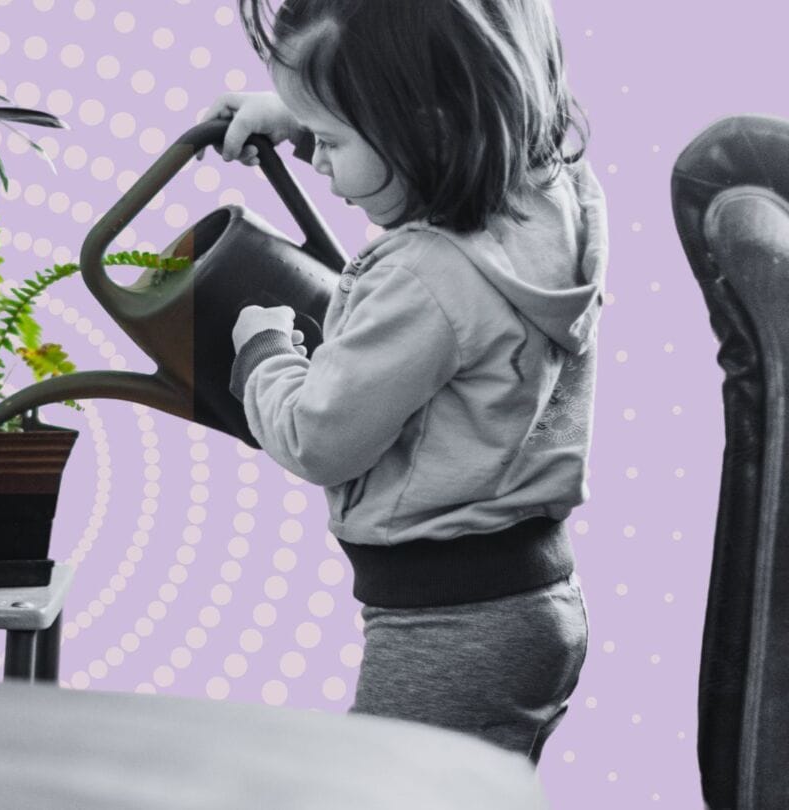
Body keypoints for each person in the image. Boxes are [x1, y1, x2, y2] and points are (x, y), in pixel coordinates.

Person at [204, 0, 606, 764]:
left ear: (422, 128)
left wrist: (264, 353)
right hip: (530, 602)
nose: (320, 163)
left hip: (447, 628)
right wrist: (300, 115)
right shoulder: (553, 201)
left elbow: (316, 440)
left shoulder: (426, 281)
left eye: (330, 140)